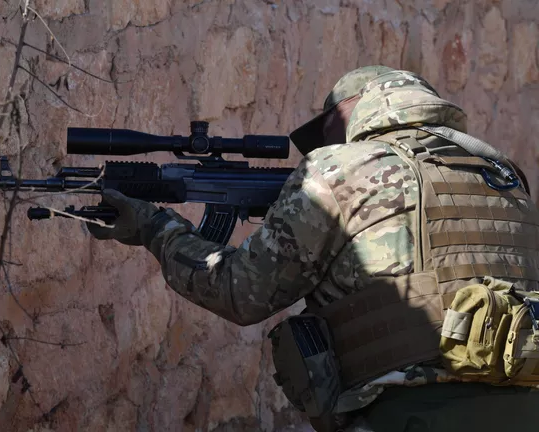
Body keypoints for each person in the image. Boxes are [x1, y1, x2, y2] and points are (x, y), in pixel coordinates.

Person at [86, 66, 539, 431]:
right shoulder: (501, 175)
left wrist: (155, 228)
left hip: (407, 414)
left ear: (353, 110)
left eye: (327, 127)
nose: (325, 143)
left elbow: (240, 292)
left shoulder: (339, 168)